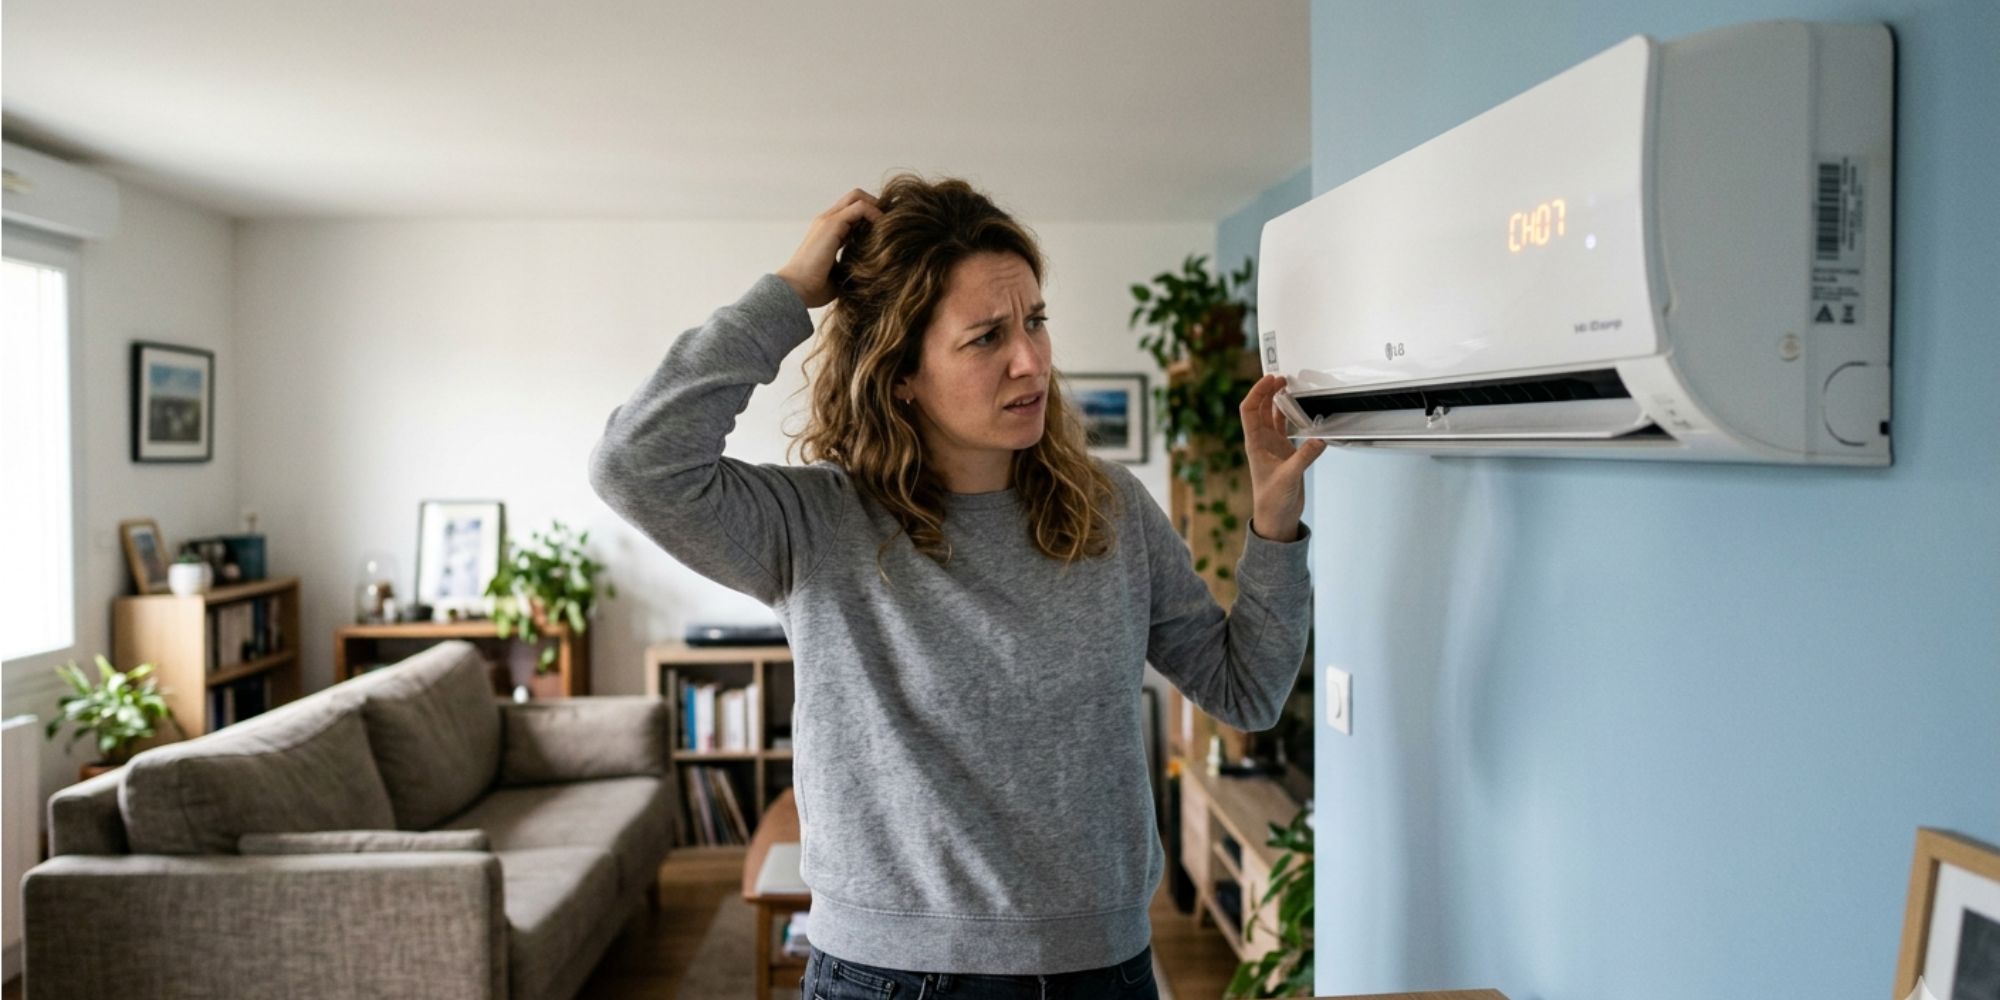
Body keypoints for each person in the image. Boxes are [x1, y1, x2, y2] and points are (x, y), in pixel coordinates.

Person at [587, 175, 1324, 998]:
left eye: (1035, 321)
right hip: (887, 978)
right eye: (985, 338)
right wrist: (790, 293)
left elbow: (1249, 691)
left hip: (1102, 972)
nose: (1031, 359)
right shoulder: (816, 525)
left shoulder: (1111, 509)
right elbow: (635, 464)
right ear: (901, 373)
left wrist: (1275, 524)